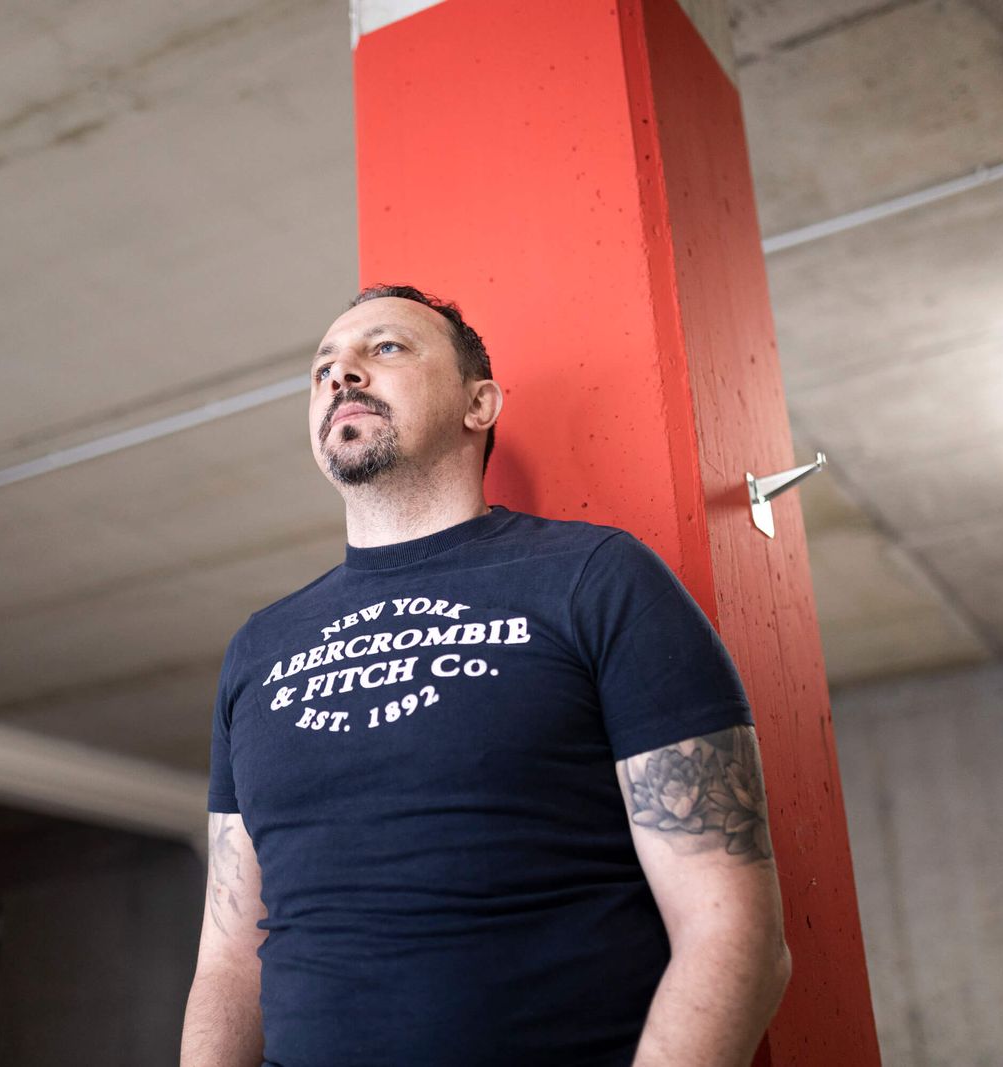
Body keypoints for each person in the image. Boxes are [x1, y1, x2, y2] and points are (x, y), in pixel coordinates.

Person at [181, 284, 791, 1067]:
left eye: (385, 347)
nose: (342, 374)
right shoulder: (259, 648)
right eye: (323, 367)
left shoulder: (594, 579)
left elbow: (733, 928)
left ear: (480, 404)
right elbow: (229, 960)